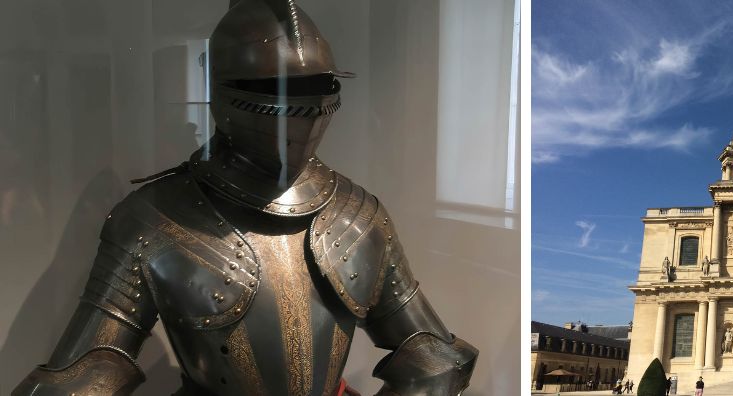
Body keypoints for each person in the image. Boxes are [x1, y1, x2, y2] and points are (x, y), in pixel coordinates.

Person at [10, 0, 480, 394]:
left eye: (315, 87)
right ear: (224, 92)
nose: (301, 109)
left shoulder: (359, 216)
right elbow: (90, 369)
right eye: (273, 89)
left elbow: (433, 359)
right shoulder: (154, 218)